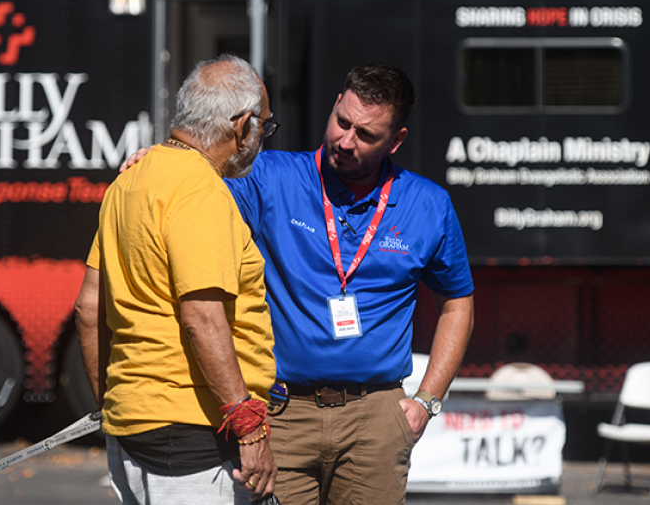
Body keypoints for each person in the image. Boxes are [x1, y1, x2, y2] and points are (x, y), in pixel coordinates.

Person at [122, 62, 475, 505]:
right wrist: (162, 159)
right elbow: (195, 180)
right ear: (333, 107)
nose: (345, 141)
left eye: (366, 135)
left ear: (396, 140)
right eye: (341, 122)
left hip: (375, 417)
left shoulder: (429, 204)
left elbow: (457, 303)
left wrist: (427, 401)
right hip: (282, 413)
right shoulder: (267, 177)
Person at [74, 55, 280, 504]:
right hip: (195, 437)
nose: (262, 136)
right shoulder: (200, 191)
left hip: (132, 428)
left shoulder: (127, 183)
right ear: (242, 126)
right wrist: (248, 428)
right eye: (265, 125)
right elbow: (203, 318)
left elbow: (89, 308)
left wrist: (116, 402)